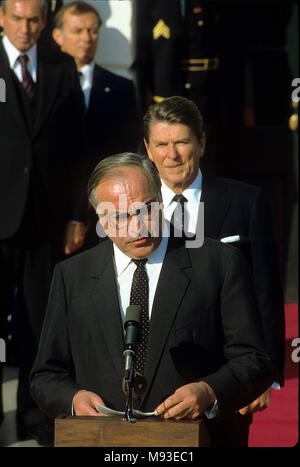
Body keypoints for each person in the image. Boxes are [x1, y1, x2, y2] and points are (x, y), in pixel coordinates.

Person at [30, 152, 274, 447]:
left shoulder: (218, 263)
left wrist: (209, 392)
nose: (137, 227)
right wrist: (72, 400)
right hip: (102, 442)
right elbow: (46, 374)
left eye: (146, 210)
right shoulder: (72, 276)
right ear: (100, 217)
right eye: (120, 216)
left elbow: (255, 359)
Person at [143, 95, 285, 442]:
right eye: (161, 144)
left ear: (201, 143)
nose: (172, 154)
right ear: (147, 149)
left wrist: (262, 376)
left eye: (181, 142)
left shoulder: (246, 202)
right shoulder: (133, 209)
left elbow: (265, 292)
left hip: (225, 379)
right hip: (149, 380)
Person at [0, 0, 86, 444]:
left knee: (41, 324)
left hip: (47, 223)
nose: (26, 28)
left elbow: (76, 150)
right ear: (1, 18)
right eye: (17, 18)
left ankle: (36, 417)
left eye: (34, 19)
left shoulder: (62, 69)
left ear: (45, 22)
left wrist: (76, 215)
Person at [53, 1, 140, 176]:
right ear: (58, 36)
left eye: (92, 31)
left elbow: (129, 148)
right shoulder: (40, 84)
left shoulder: (122, 88)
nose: (86, 38)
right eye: (77, 31)